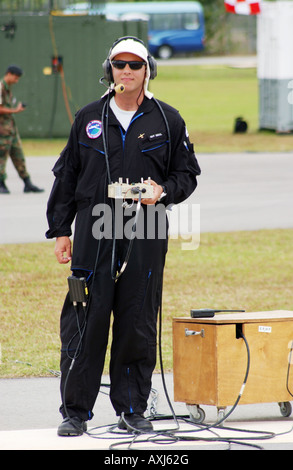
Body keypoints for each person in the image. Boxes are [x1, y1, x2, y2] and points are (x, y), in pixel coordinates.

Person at [46, 36, 201, 436]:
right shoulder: (88, 118)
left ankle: (132, 407)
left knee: (137, 320)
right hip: (94, 232)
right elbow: (67, 176)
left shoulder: (168, 119)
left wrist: (163, 191)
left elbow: (187, 175)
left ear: (148, 70)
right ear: (109, 70)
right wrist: (60, 230)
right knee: (84, 321)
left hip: (146, 231)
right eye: (119, 65)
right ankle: (75, 411)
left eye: (135, 65)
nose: (127, 72)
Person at [0, 65, 44, 194]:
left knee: (18, 155)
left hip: (10, 130)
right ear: (9, 74)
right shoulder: (1, 87)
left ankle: (27, 182)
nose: (16, 80)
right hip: (2, 131)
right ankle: (1, 183)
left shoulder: (8, 89)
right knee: (1, 157)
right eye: (16, 77)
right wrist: (15, 110)